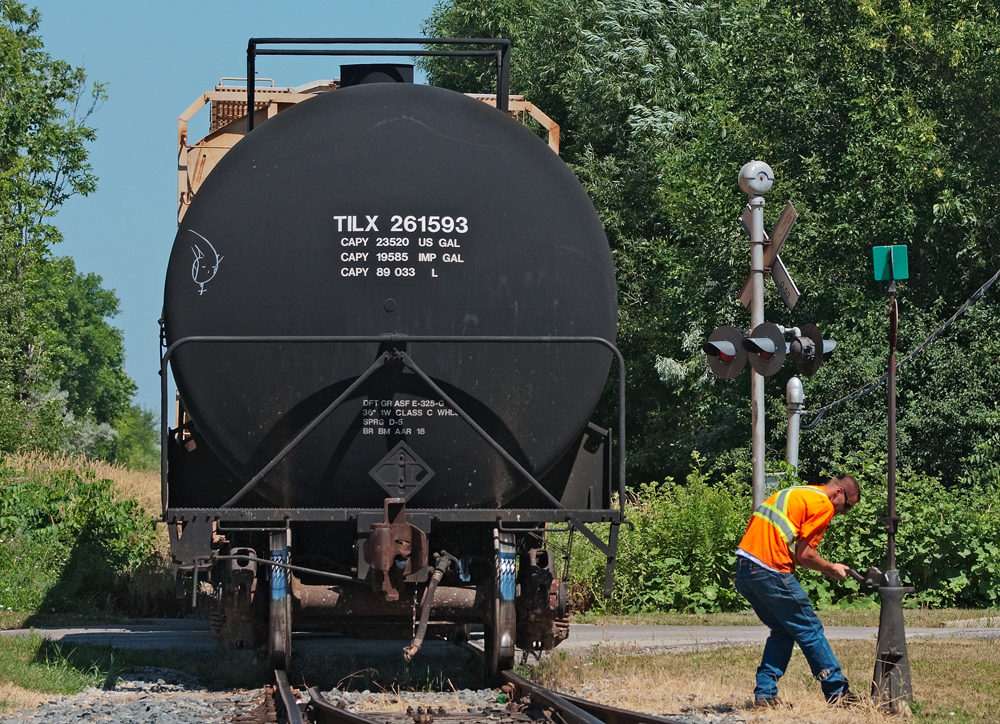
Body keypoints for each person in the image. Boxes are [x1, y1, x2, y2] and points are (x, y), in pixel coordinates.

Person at [734, 475, 861, 707]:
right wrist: (831, 569)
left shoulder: (801, 492)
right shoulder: (823, 504)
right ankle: (838, 694)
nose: (844, 512)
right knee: (809, 629)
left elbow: (797, 554)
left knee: (783, 631)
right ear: (839, 492)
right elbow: (805, 555)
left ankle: (765, 694)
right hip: (769, 569)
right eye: (848, 506)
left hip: (744, 571)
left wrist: (825, 567)